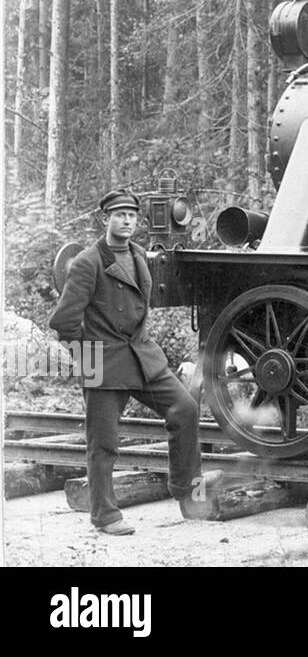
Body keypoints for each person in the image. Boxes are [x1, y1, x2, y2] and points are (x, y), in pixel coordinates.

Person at [49, 189, 207, 535]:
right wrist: (90, 358)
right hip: (104, 362)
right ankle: (105, 517)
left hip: (142, 356)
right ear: (105, 219)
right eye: (119, 215)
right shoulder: (89, 262)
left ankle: (188, 492)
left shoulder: (138, 254)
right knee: (103, 443)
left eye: (132, 216)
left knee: (185, 408)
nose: (126, 221)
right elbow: (63, 321)